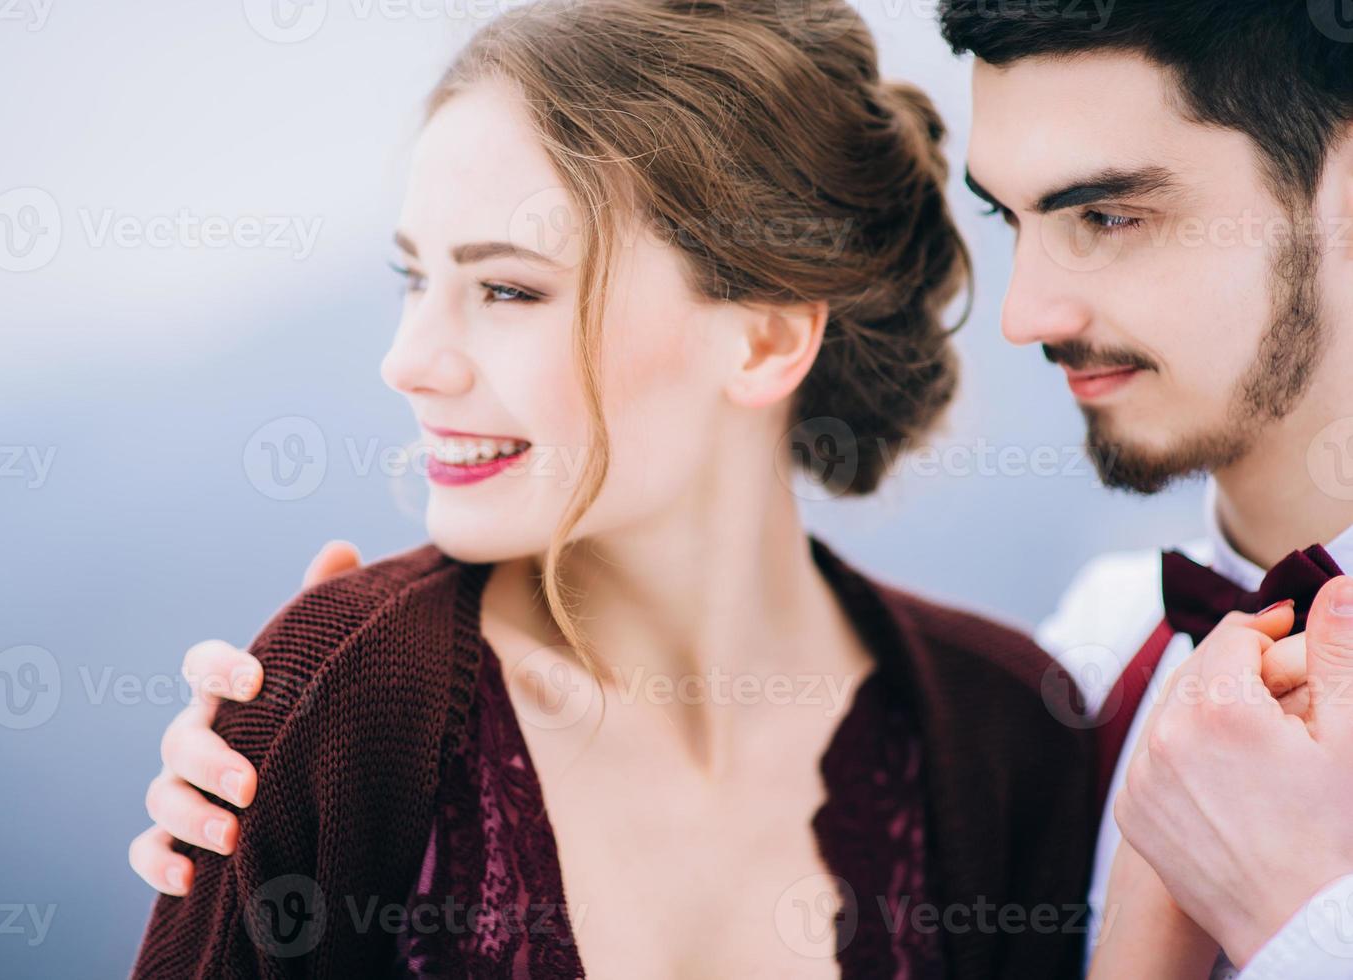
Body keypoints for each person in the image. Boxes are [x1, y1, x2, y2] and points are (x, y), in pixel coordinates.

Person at [129, 0, 1100, 976]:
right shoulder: (342, 705)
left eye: (507, 289)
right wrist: (311, 700)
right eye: (414, 278)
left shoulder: (1012, 734)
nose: (407, 360)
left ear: (763, 337)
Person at [937, 0, 1353, 976]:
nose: (1024, 314)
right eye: (1011, 219)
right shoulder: (1090, 654)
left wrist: (1301, 912)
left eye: (1107, 216)